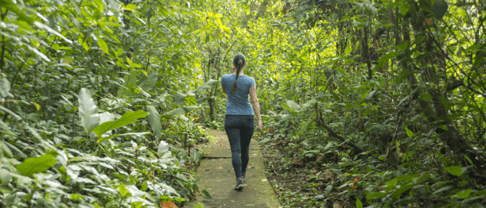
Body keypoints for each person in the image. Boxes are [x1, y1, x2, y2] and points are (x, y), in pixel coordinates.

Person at [220, 53, 263, 190]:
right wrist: (260, 120)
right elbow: (254, 100)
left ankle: (238, 178)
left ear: (233, 64)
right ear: (244, 64)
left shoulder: (224, 78)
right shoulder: (250, 81)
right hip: (247, 118)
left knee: (235, 150)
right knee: (245, 149)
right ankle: (243, 174)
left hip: (231, 117)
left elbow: (225, 90)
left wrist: (231, 74)